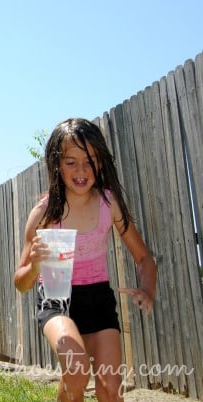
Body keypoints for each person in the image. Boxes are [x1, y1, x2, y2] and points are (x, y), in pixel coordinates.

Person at [14, 118, 157, 402]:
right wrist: (36, 264)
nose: (81, 170)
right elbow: (21, 282)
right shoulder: (43, 214)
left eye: (89, 161)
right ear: (56, 165)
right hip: (56, 299)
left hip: (98, 300)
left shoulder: (109, 203)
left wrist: (147, 289)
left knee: (110, 391)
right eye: (71, 162)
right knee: (77, 371)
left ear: (100, 163)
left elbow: (143, 258)